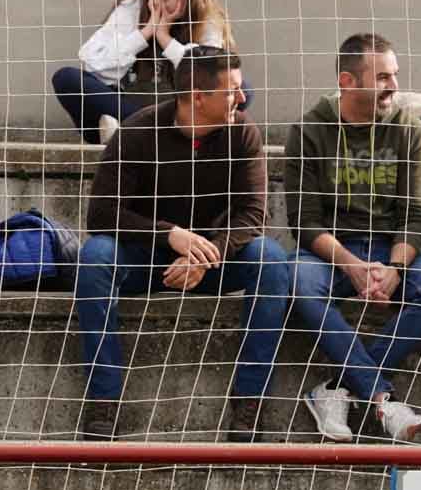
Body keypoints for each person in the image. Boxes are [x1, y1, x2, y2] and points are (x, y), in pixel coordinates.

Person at [73, 47, 290, 443]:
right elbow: (101, 215)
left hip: (213, 261)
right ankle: (104, 401)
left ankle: (249, 404)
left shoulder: (243, 132)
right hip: (148, 259)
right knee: (95, 257)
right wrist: (170, 234)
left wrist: (207, 255)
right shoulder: (139, 131)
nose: (242, 99)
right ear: (196, 97)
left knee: (271, 259)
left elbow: (254, 214)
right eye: (233, 91)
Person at [288, 33, 421, 443]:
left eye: (394, 74)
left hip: (390, 251)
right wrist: (351, 264)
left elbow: (416, 215)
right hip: (333, 253)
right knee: (295, 281)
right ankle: (381, 397)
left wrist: (396, 269)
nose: (394, 85)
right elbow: (303, 220)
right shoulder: (310, 130)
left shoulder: (410, 131)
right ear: (348, 81)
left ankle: (336, 389)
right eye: (382, 76)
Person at [51, 0, 243, 145]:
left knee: (242, 90)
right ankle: (147, 133)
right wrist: (146, 32)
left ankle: (131, 134)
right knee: (67, 78)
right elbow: (95, 65)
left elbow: (210, 74)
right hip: (125, 105)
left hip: (181, 112)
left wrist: (165, 38)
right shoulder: (134, 5)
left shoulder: (207, 17)